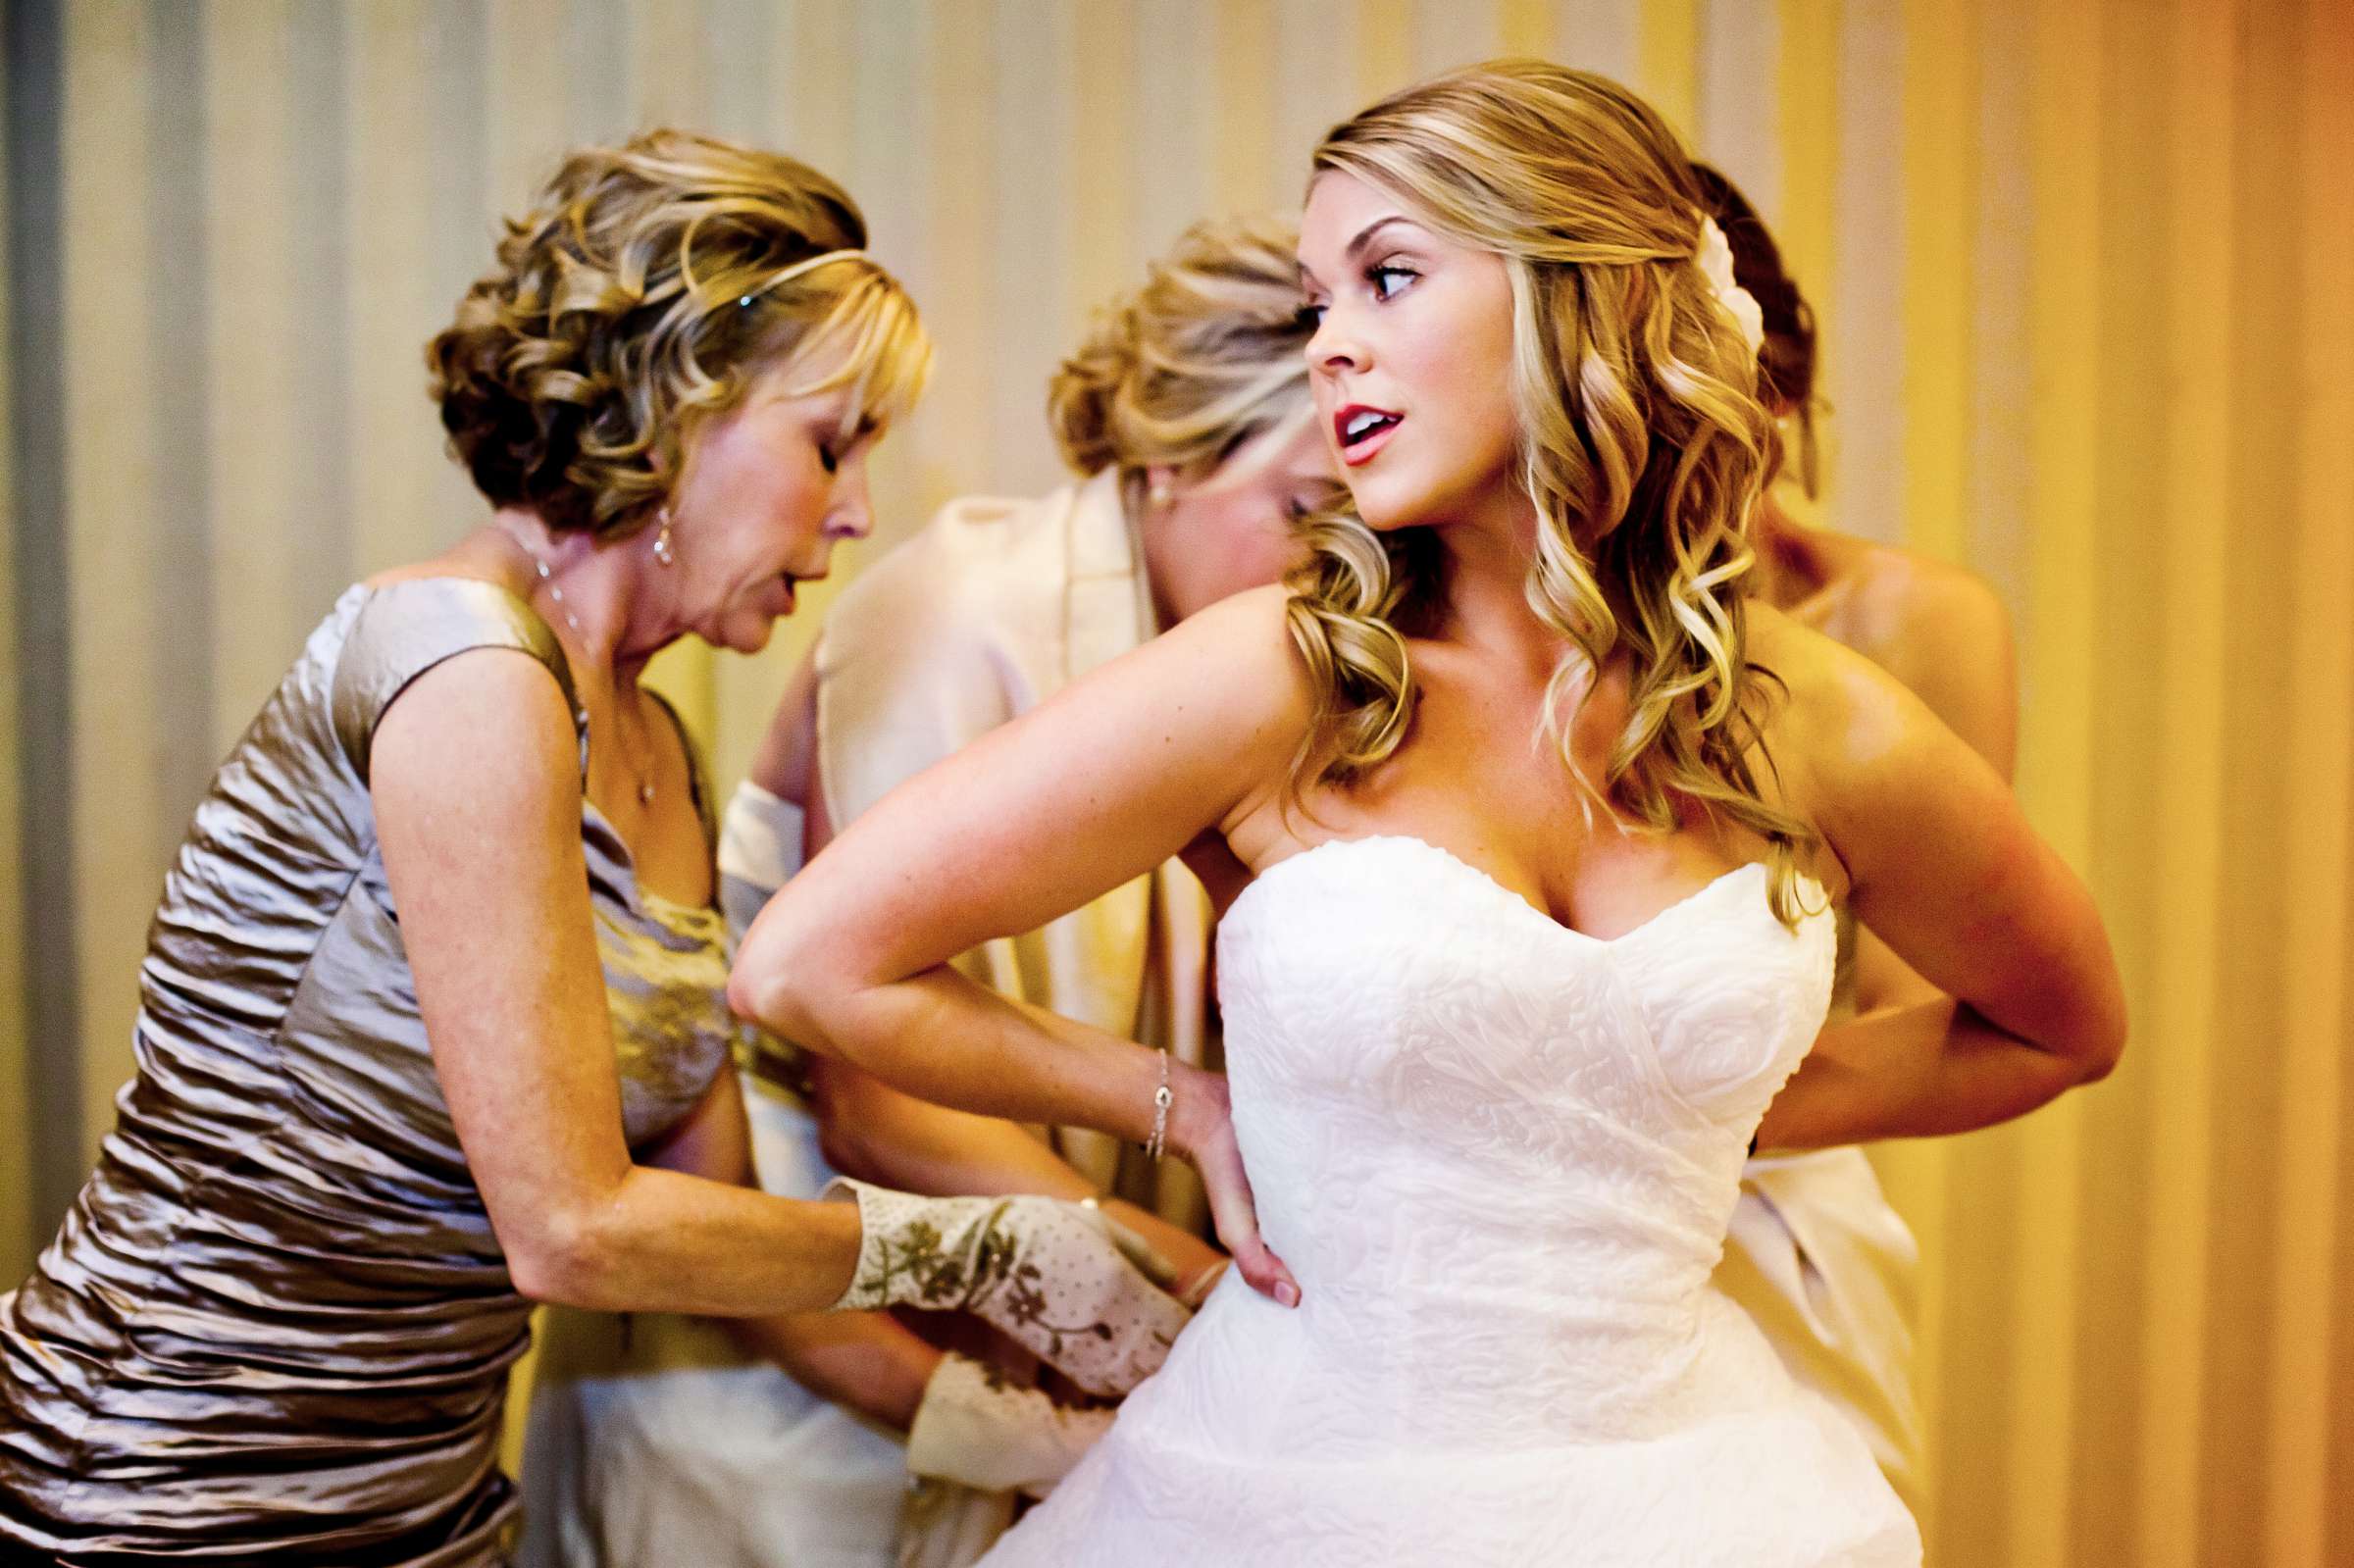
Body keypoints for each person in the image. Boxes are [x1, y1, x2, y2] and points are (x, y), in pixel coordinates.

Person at [732, 62, 2126, 1566]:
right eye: (1318, 304)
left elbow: (2059, 1027)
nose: (1333, 350)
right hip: (1289, 1495)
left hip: (1689, 1491)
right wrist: (1177, 1102)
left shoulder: (1815, 718)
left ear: (1580, 303)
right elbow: (810, 963)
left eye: (1388, 279)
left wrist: (1678, 1113)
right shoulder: (1279, 677)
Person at [0, 130, 1185, 1568]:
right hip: (167, 1481)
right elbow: (573, 1231)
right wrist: (981, 1249)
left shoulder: (659, 757)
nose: (860, 509)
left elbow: (721, 1241)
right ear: (678, 415)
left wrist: (1022, 1430)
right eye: (830, 444)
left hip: (416, 1497)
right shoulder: (460, 665)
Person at [519, 212, 1321, 1568]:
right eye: (1304, 516)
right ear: (1178, 450)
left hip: (1013, 1356)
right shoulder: (957, 611)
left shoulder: (1249, 669)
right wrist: (1183, 1287)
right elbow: (873, 1094)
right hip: (785, 1378)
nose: (1329, 575)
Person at [1697, 161, 2021, 1515]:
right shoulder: (1455, 640)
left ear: (1776, 398)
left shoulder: (1903, 630)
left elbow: (1934, 1011)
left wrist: (1640, 1118)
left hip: (1776, 1212)